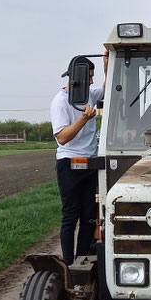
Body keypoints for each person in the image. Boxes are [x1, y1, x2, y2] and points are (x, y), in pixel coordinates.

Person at [50, 53, 107, 266]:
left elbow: (108, 88)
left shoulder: (90, 94)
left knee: (89, 214)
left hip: (90, 162)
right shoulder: (60, 102)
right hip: (69, 163)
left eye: (93, 76)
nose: (92, 81)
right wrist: (83, 119)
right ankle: (67, 262)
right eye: (89, 76)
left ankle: (81, 259)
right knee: (70, 214)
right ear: (78, 77)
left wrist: (106, 62)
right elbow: (63, 138)